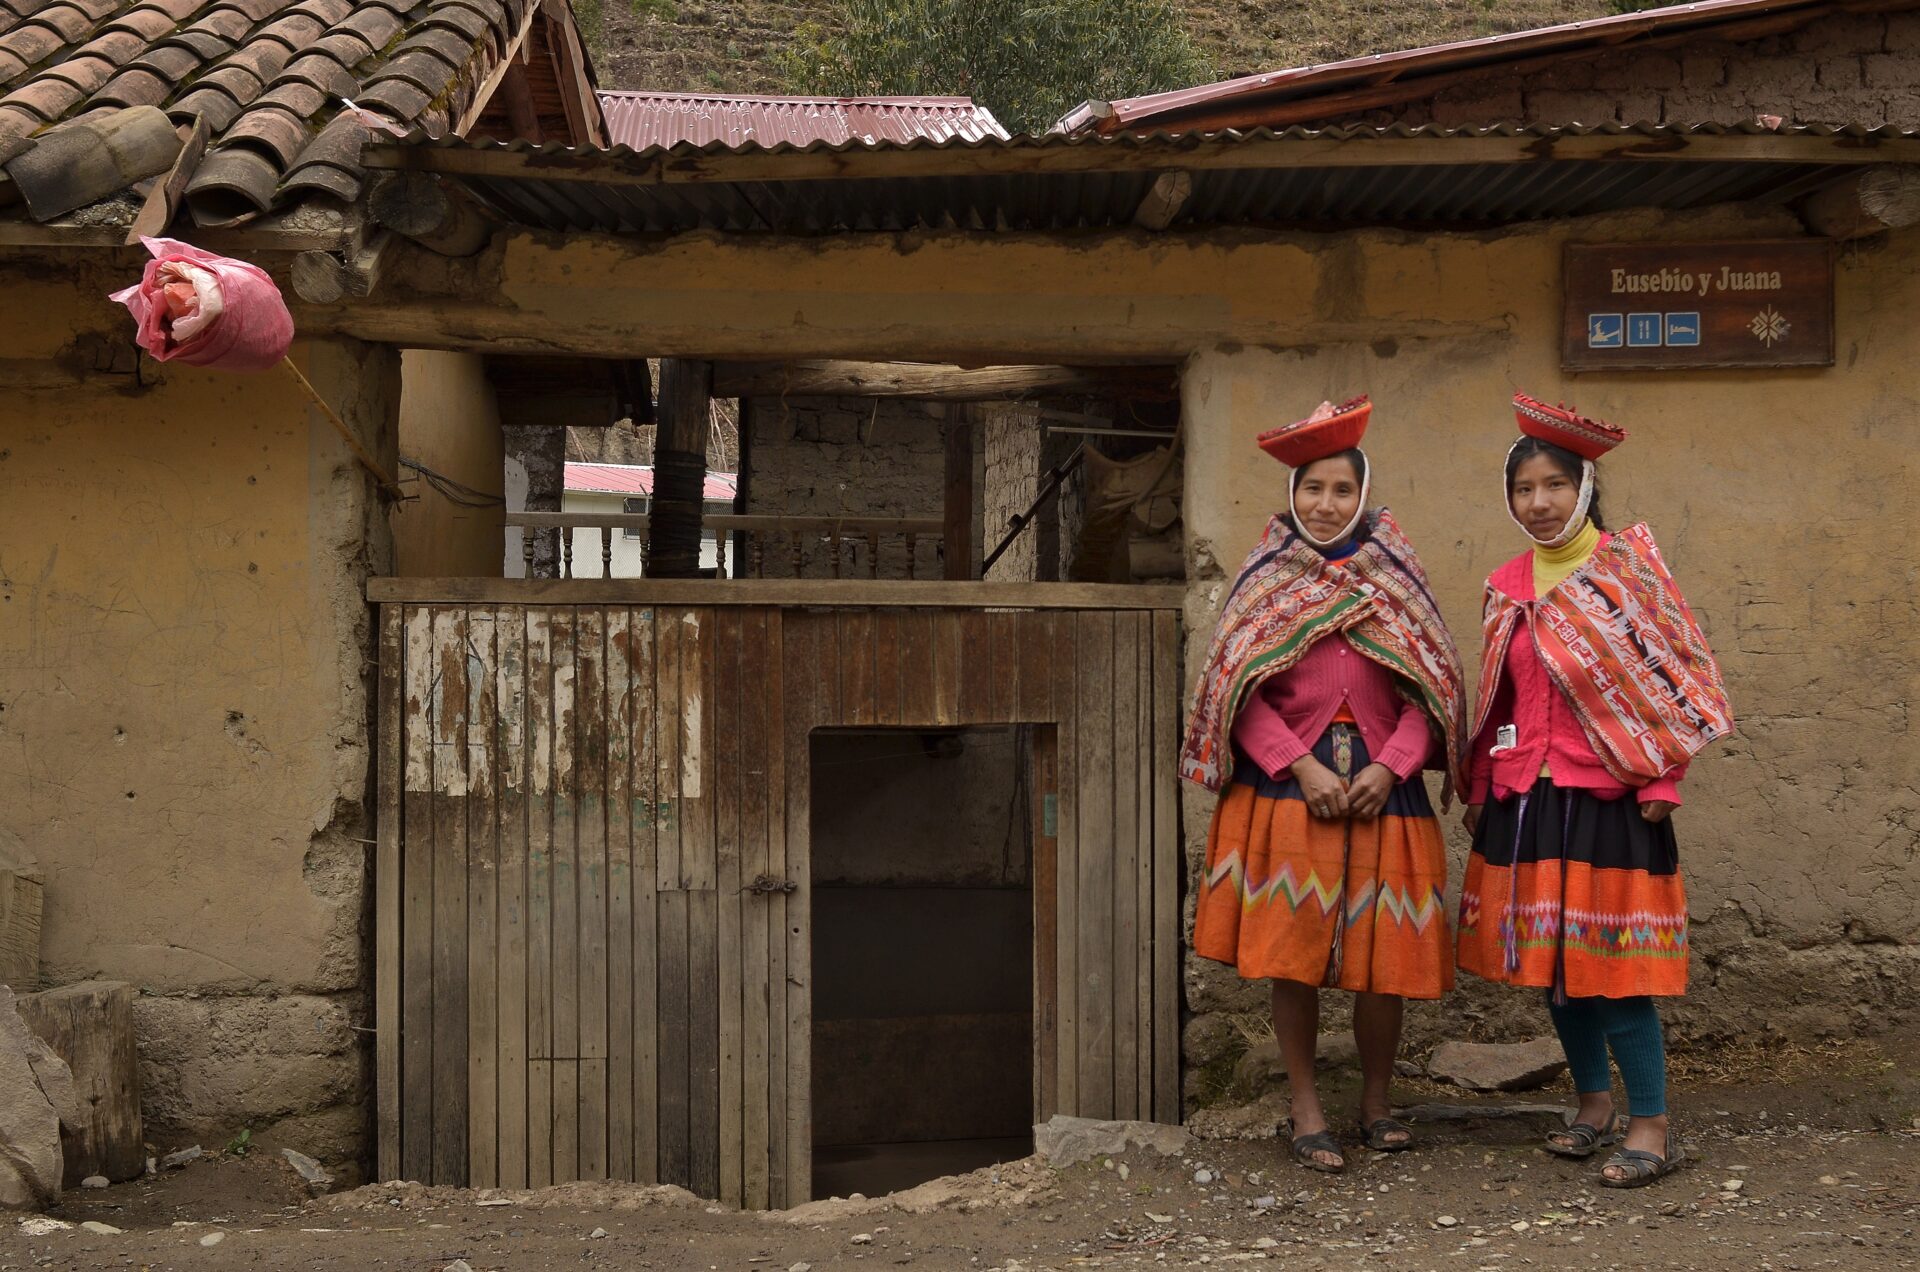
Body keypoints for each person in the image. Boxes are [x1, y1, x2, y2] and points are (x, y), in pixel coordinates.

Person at [1182, 396, 1467, 1175]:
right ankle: (1306, 1108)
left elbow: (1433, 690)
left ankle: (1377, 1103)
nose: (1326, 504)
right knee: (1292, 953)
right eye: (1313, 489)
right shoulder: (1264, 579)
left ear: (1363, 496)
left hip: (1386, 790)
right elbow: (1232, 690)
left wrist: (1391, 766)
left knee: (1386, 961)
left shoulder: (1396, 577)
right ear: (1293, 495)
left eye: (1342, 490)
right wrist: (1298, 764)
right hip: (1287, 788)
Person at [1457, 394, 1734, 1188]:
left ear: (1582, 487)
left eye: (1552, 485)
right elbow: (1496, 699)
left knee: (1612, 970)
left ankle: (1651, 1125)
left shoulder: (1625, 576)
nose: (1537, 503)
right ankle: (1592, 1106)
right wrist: (1482, 783)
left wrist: (1666, 776)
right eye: (1523, 490)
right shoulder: (1507, 585)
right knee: (1552, 967)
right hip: (1530, 800)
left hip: (1614, 797)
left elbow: (1675, 682)